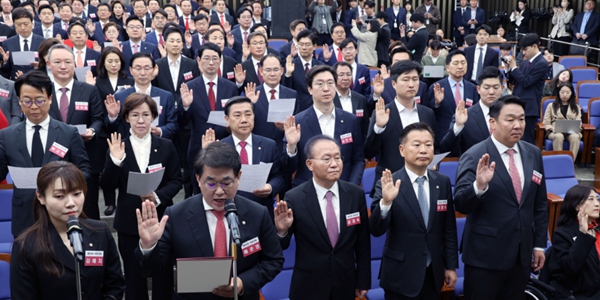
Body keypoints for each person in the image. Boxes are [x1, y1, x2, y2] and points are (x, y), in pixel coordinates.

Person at [135, 141, 284, 299]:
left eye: (226, 183)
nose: (219, 191)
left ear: (239, 177)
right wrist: (148, 246)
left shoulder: (257, 213)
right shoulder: (176, 215)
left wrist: (242, 282)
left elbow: (273, 260)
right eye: (211, 184)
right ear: (198, 179)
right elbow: (151, 270)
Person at [454, 95, 548, 299]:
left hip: (521, 256)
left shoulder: (533, 153)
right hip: (485, 258)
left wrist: (539, 244)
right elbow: (461, 203)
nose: (517, 125)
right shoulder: (475, 154)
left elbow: (539, 204)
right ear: (493, 122)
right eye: (510, 119)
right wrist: (478, 186)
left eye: (522, 119)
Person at [100, 93, 182, 300]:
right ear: (126, 117)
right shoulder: (119, 146)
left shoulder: (166, 146)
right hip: (129, 222)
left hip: (161, 219)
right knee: (134, 280)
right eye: (135, 115)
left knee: (163, 277)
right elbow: (106, 184)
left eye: (146, 114)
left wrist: (157, 196)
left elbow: (176, 181)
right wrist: (115, 161)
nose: (141, 120)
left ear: (153, 117)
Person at [10, 161, 125, 299]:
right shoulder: (26, 245)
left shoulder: (100, 231)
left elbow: (115, 285)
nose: (71, 203)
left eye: (77, 194)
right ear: (41, 197)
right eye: (59, 196)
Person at [274, 135, 370, 299]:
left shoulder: (355, 194)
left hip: (345, 283)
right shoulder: (294, 197)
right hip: (308, 286)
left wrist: (363, 280)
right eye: (327, 159)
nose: (334, 164)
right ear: (309, 164)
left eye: (337, 158)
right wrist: (281, 231)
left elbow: (362, 242)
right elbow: (280, 246)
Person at [370, 122, 458, 299]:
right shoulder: (389, 182)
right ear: (402, 150)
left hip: (433, 273)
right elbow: (376, 229)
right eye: (416, 145)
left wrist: (450, 266)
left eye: (428, 145)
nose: (423, 150)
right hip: (400, 275)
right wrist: (386, 202)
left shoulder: (442, 182)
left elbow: (448, 228)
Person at [0, 70, 91, 237]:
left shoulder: (68, 133)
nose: (33, 106)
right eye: (26, 101)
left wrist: (64, 184)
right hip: (24, 215)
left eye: (39, 100)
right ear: (19, 102)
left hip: (60, 211)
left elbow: (84, 171)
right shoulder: (7, 136)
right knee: (26, 259)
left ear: (50, 99)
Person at [46, 43, 104, 220]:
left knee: (88, 208)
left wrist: (92, 131)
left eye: (67, 62)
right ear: (48, 64)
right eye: (57, 62)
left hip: (85, 155)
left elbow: (98, 118)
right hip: (52, 157)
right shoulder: (43, 92)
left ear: (75, 64)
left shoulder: (89, 90)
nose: (63, 66)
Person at [203, 96, 285, 219]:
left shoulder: (269, 145)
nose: (244, 120)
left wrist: (270, 187)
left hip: (261, 210)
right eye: (237, 115)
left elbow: (279, 176)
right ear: (227, 119)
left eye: (248, 114)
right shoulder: (219, 148)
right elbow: (206, 182)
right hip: (228, 210)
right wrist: (207, 155)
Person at [283, 65, 365, 187]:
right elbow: (288, 168)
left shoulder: (350, 120)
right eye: (320, 84)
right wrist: (291, 147)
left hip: (343, 189)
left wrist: (350, 186)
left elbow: (358, 160)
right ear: (310, 89)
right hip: (307, 191)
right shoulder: (298, 121)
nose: (326, 88)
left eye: (330, 83)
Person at [365, 60, 435, 194]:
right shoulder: (381, 112)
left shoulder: (427, 113)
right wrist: (379, 127)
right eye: (406, 79)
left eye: (415, 79)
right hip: (389, 183)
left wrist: (433, 162)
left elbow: (434, 146)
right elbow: (369, 152)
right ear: (393, 84)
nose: (411, 84)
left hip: (422, 182)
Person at [180, 42, 239, 194]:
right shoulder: (189, 86)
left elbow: (235, 116)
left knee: (224, 189)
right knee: (199, 191)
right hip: (197, 147)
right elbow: (182, 122)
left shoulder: (230, 87)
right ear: (198, 61)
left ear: (220, 61)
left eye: (215, 58)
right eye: (206, 58)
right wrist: (185, 106)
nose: (211, 62)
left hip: (224, 144)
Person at [107, 52, 178, 140]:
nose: (143, 73)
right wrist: (113, 117)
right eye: (138, 68)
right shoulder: (120, 97)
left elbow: (173, 124)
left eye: (147, 68)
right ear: (131, 70)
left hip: (158, 146)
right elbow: (111, 128)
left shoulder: (166, 96)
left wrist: (160, 131)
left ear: (154, 69)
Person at [547, 184, 600, 299]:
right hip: (578, 294)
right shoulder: (563, 234)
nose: (597, 203)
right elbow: (571, 267)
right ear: (577, 206)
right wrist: (583, 234)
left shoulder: (598, 229)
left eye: (597, 199)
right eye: (591, 199)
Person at [440, 66, 504, 156]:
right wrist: (458, 126)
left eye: (496, 87)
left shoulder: (509, 115)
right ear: (478, 89)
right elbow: (445, 148)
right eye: (486, 87)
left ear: (502, 88)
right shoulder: (466, 116)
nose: (491, 92)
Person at [248, 54, 298, 153]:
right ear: (261, 71)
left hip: (285, 146)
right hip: (260, 148)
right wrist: (250, 104)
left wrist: (288, 127)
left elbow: (298, 119)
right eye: (268, 70)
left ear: (282, 71)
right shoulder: (252, 94)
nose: (272, 74)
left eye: (276, 70)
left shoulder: (291, 94)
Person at [429, 50, 478, 145]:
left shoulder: (472, 88)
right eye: (456, 63)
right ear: (447, 68)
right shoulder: (437, 87)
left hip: (467, 138)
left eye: (463, 63)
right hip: (443, 138)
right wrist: (437, 104)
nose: (460, 66)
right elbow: (429, 115)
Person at [506, 33, 547, 144]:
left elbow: (526, 82)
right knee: (515, 138)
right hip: (517, 103)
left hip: (529, 108)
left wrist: (514, 68)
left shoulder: (542, 63)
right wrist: (508, 69)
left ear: (534, 46)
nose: (523, 53)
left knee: (526, 139)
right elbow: (514, 81)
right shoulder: (525, 63)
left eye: (525, 49)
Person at [282, 29, 324, 112]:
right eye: (301, 44)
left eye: (307, 44)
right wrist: (288, 74)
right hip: (298, 110)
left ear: (314, 46)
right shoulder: (290, 64)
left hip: (318, 109)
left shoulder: (321, 66)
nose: (304, 48)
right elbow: (285, 90)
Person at [0, 7, 45, 79]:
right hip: (15, 83)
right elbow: (5, 73)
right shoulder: (8, 43)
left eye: (26, 24)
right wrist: (5, 62)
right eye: (18, 24)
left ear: (32, 23)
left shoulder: (42, 42)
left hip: (37, 82)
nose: (23, 27)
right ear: (14, 24)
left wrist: (39, 67)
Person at [543, 83, 582, 159]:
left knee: (575, 137)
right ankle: (558, 160)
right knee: (559, 136)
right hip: (554, 132)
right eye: (562, 92)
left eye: (568, 92)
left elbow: (579, 123)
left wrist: (575, 128)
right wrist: (552, 128)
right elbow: (546, 123)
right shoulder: (551, 105)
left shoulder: (576, 107)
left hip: (571, 132)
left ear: (571, 94)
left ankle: (570, 163)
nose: (565, 95)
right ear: (558, 92)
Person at [333, 61, 369, 140]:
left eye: (348, 74)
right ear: (334, 77)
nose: (345, 78)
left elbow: (364, 128)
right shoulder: (329, 99)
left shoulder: (360, 99)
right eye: (341, 75)